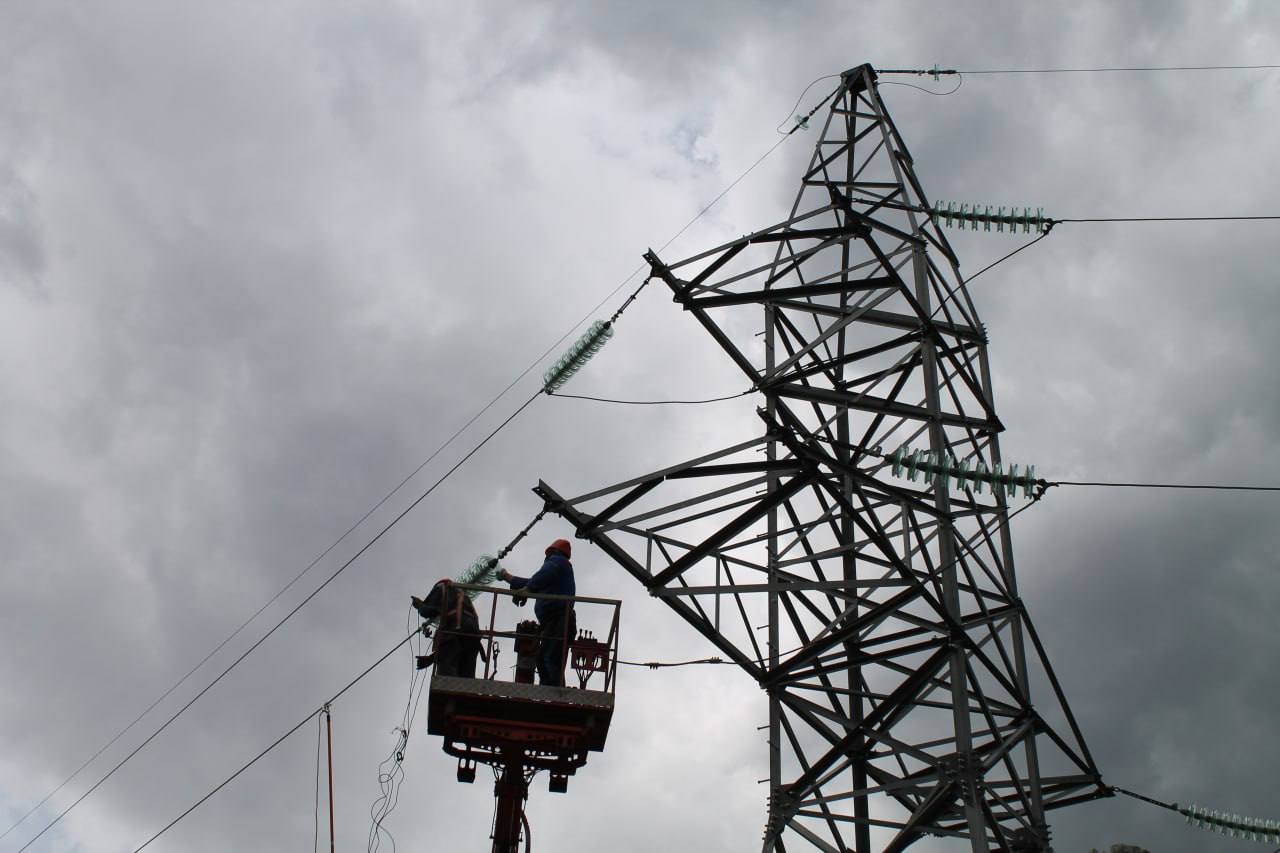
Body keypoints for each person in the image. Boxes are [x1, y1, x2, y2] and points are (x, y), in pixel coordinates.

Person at [499, 538, 576, 687]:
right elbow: (532, 582)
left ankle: (553, 694)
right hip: (555, 622)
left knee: (548, 658)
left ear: (552, 553)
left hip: (558, 620)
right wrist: (505, 576)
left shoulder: (557, 562)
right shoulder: (554, 576)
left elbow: (537, 579)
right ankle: (552, 691)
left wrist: (528, 590)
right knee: (547, 659)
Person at [411, 580, 484, 678]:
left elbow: (427, 611)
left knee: (447, 675)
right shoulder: (463, 596)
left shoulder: (440, 588)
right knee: (467, 677)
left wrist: (419, 605)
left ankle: (450, 691)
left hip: (454, 632)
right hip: (473, 635)